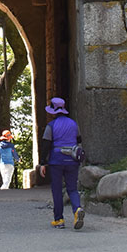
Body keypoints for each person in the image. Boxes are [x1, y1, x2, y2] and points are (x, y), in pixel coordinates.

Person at [38, 97, 84, 229]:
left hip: (56, 160)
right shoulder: (73, 124)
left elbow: (46, 145)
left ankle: (59, 220)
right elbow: (79, 140)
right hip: (72, 159)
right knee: (72, 189)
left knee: (57, 190)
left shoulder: (51, 126)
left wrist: (42, 163)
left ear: (53, 111)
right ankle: (77, 210)